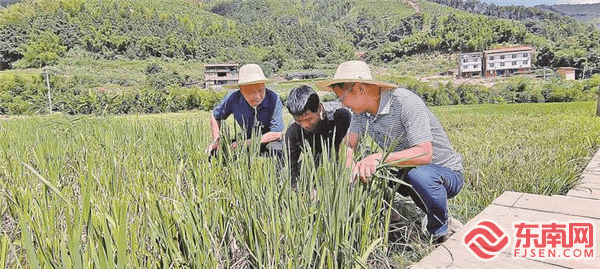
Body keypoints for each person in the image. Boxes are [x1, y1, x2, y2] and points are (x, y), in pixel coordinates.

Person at [317, 60, 464, 242]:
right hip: (408, 171)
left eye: (342, 97)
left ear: (359, 88)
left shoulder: (404, 101)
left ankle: (441, 233)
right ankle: (395, 222)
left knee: (419, 175)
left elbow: (425, 154)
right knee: (368, 171)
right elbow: (348, 144)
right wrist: (349, 167)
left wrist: (379, 158)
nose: (343, 104)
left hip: (444, 173)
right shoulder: (361, 113)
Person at [207, 64, 284, 162]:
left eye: (260, 90)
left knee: (278, 152)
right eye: (252, 92)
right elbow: (215, 116)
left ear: (264, 86)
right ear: (241, 90)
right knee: (216, 153)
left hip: (269, 141)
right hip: (245, 138)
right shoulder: (233, 98)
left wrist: (245, 143)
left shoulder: (274, 99)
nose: (257, 96)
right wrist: (216, 140)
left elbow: (276, 133)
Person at [285, 85, 351, 189]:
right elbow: (290, 165)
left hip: (341, 158)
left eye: (309, 119)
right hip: (315, 162)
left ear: (319, 108)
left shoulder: (340, 116)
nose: (305, 125)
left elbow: (350, 148)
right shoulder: (293, 129)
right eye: (299, 121)